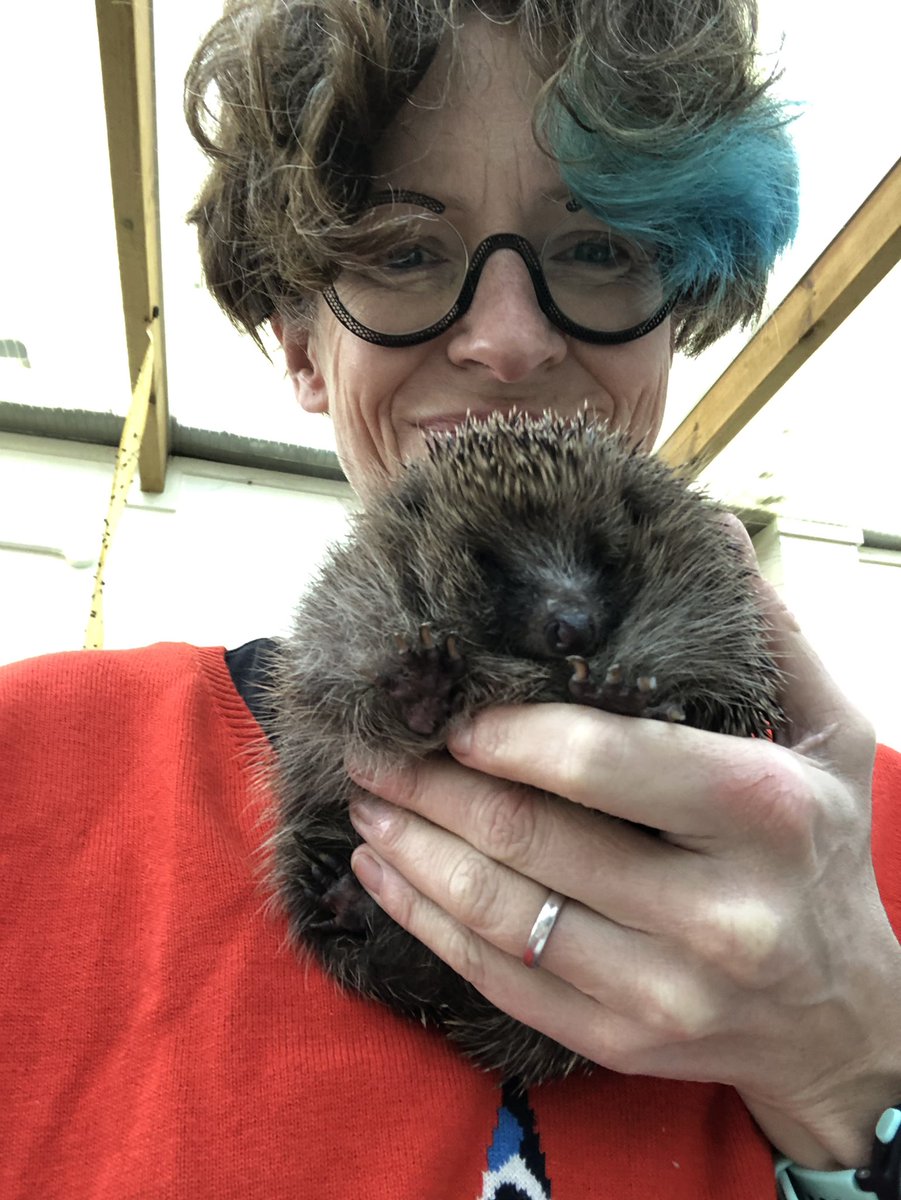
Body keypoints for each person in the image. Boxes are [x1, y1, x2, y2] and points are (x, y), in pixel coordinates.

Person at [2, 2, 899, 1198]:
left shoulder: (874, 847)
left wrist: (859, 1074)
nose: (510, 340)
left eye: (596, 248)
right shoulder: (36, 771)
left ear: (675, 312)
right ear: (302, 345)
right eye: (403, 250)